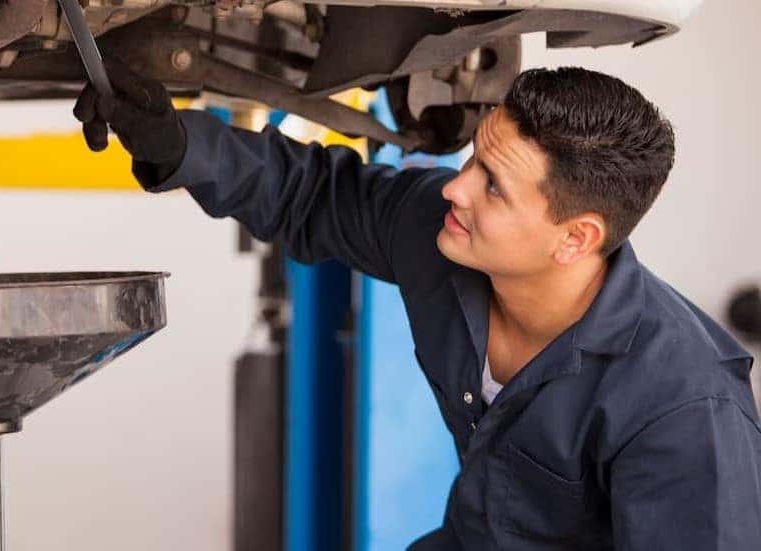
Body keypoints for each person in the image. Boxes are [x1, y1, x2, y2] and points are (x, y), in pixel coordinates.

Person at [74, 62, 761, 549]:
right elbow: (311, 196)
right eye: (472, 160)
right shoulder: (445, 237)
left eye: (494, 186)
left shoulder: (684, 410)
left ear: (576, 238)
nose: (455, 190)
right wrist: (182, 145)